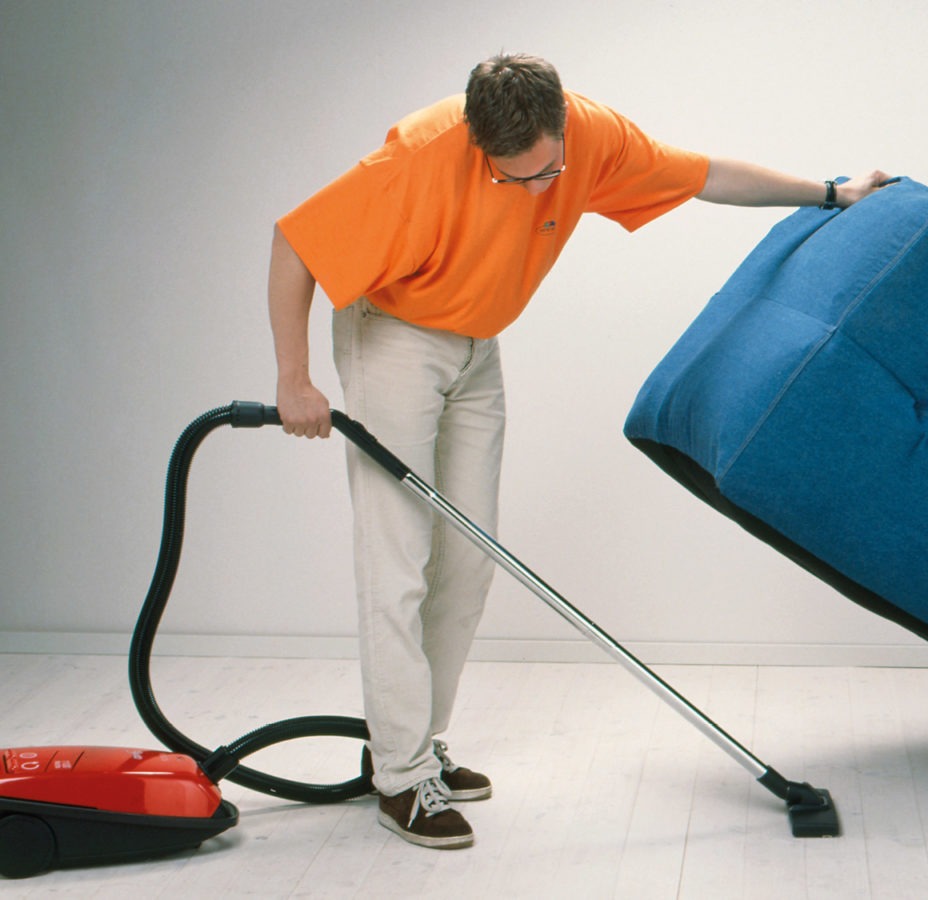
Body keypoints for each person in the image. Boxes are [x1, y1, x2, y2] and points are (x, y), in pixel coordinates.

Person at [266, 53, 889, 850]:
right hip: (394, 339)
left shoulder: (590, 136)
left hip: (476, 345)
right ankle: (400, 778)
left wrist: (834, 195)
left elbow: (703, 175)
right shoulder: (418, 157)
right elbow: (295, 243)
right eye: (508, 179)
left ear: (563, 129)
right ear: (475, 142)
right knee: (397, 561)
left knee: (468, 556)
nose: (533, 194)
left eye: (544, 175)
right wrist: (295, 378)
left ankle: (416, 749)